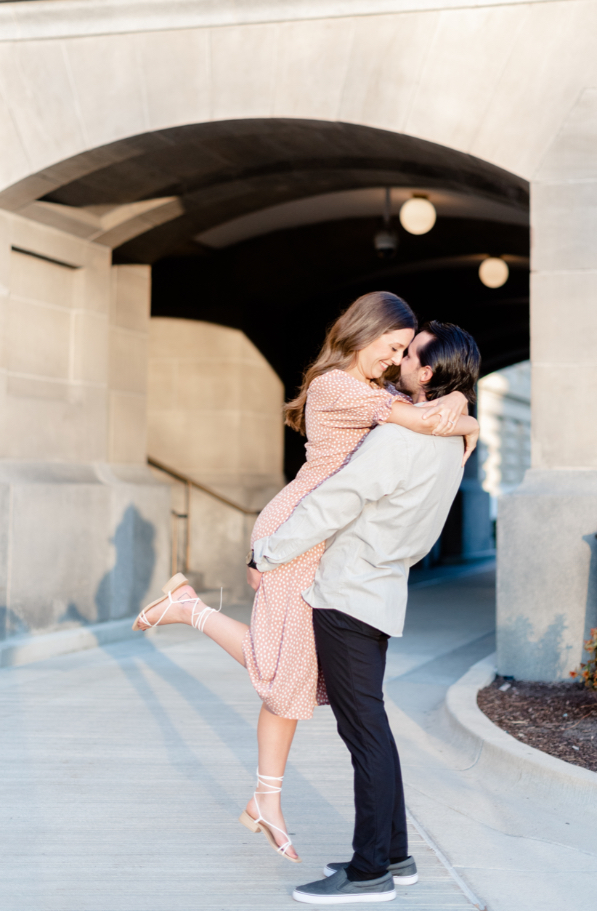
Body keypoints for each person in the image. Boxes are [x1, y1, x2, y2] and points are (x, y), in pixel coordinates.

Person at [132, 293, 478, 863]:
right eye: (393, 348)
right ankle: (191, 613)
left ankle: (263, 794)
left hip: (319, 534)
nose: (395, 362)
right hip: (300, 529)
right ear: (367, 333)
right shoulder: (338, 386)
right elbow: (422, 417)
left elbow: (424, 408)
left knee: (288, 672)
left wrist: (460, 405)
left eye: (402, 354)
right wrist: (464, 416)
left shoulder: (376, 390)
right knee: (284, 673)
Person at [247, 320, 480, 904]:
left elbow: (334, 501)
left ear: (425, 373)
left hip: (347, 594)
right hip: (382, 593)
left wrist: (268, 552)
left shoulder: (399, 438)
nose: (400, 359)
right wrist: (460, 403)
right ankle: (396, 856)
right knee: (373, 728)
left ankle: (369, 869)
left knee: (364, 737)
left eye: (411, 353)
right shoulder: (453, 441)